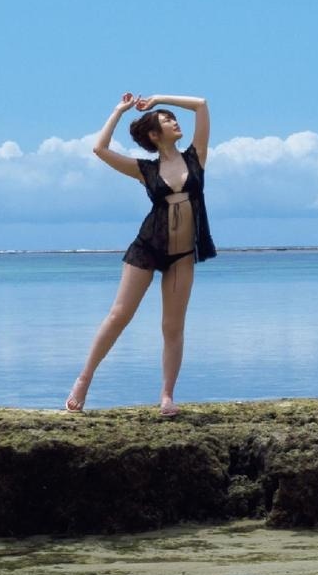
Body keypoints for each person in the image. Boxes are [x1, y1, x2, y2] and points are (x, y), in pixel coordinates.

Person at [65, 92, 214, 417]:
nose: (175, 121)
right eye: (167, 120)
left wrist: (159, 99)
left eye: (173, 118)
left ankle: (167, 396)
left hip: (182, 254)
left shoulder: (196, 156)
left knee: (172, 327)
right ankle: (84, 380)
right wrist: (118, 111)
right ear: (154, 135)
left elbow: (201, 105)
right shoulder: (145, 169)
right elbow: (100, 149)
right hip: (147, 248)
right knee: (119, 315)